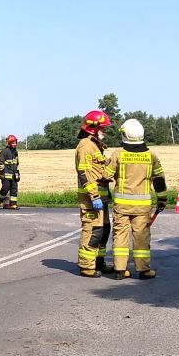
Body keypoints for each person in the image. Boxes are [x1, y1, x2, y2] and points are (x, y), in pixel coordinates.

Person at [104, 118, 167, 279]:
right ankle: (144, 270)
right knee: (141, 238)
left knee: (120, 236)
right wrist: (162, 200)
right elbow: (159, 179)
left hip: (122, 206)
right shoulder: (151, 155)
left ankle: (119, 270)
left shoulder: (118, 154)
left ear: (125, 135)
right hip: (142, 206)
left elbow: (106, 175)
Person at [74, 110, 112, 276]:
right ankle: (86, 266)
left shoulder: (95, 145)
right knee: (92, 230)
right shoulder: (85, 146)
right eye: (102, 128)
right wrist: (94, 196)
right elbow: (84, 174)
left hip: (101, 198)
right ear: (93, 128)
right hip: (91, 199)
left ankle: (98, 261)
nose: (104, 132)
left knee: (104, 230)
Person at [0, 134, 20, 209]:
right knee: (5, 189)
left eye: (15, 142)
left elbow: (16, 163)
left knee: (14, 190)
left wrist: (18, 174)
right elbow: (1, 163)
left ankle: (13, 204)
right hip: (6, 175)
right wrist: (2, 174)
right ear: (9, 143)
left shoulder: (15, 152)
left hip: (14, 175)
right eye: (13, 143)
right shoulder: (4, 152)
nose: (15, 144)